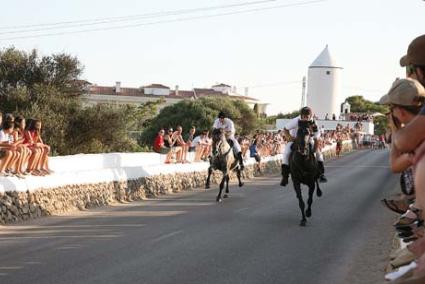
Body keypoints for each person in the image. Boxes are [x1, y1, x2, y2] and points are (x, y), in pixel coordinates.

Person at [280, 106, 327, 187]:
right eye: (304, 116)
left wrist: (315, 150)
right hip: (294, 139)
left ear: (310, 116)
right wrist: (290, 138)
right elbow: (285, 129)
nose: (305, 118)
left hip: (309, 140)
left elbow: (316, 138)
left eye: (307, 117)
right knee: (286, 153)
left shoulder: (313, 123)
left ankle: (321, 174)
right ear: (301, 115)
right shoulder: (296, 120)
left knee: (319, 154)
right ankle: (285, 177)